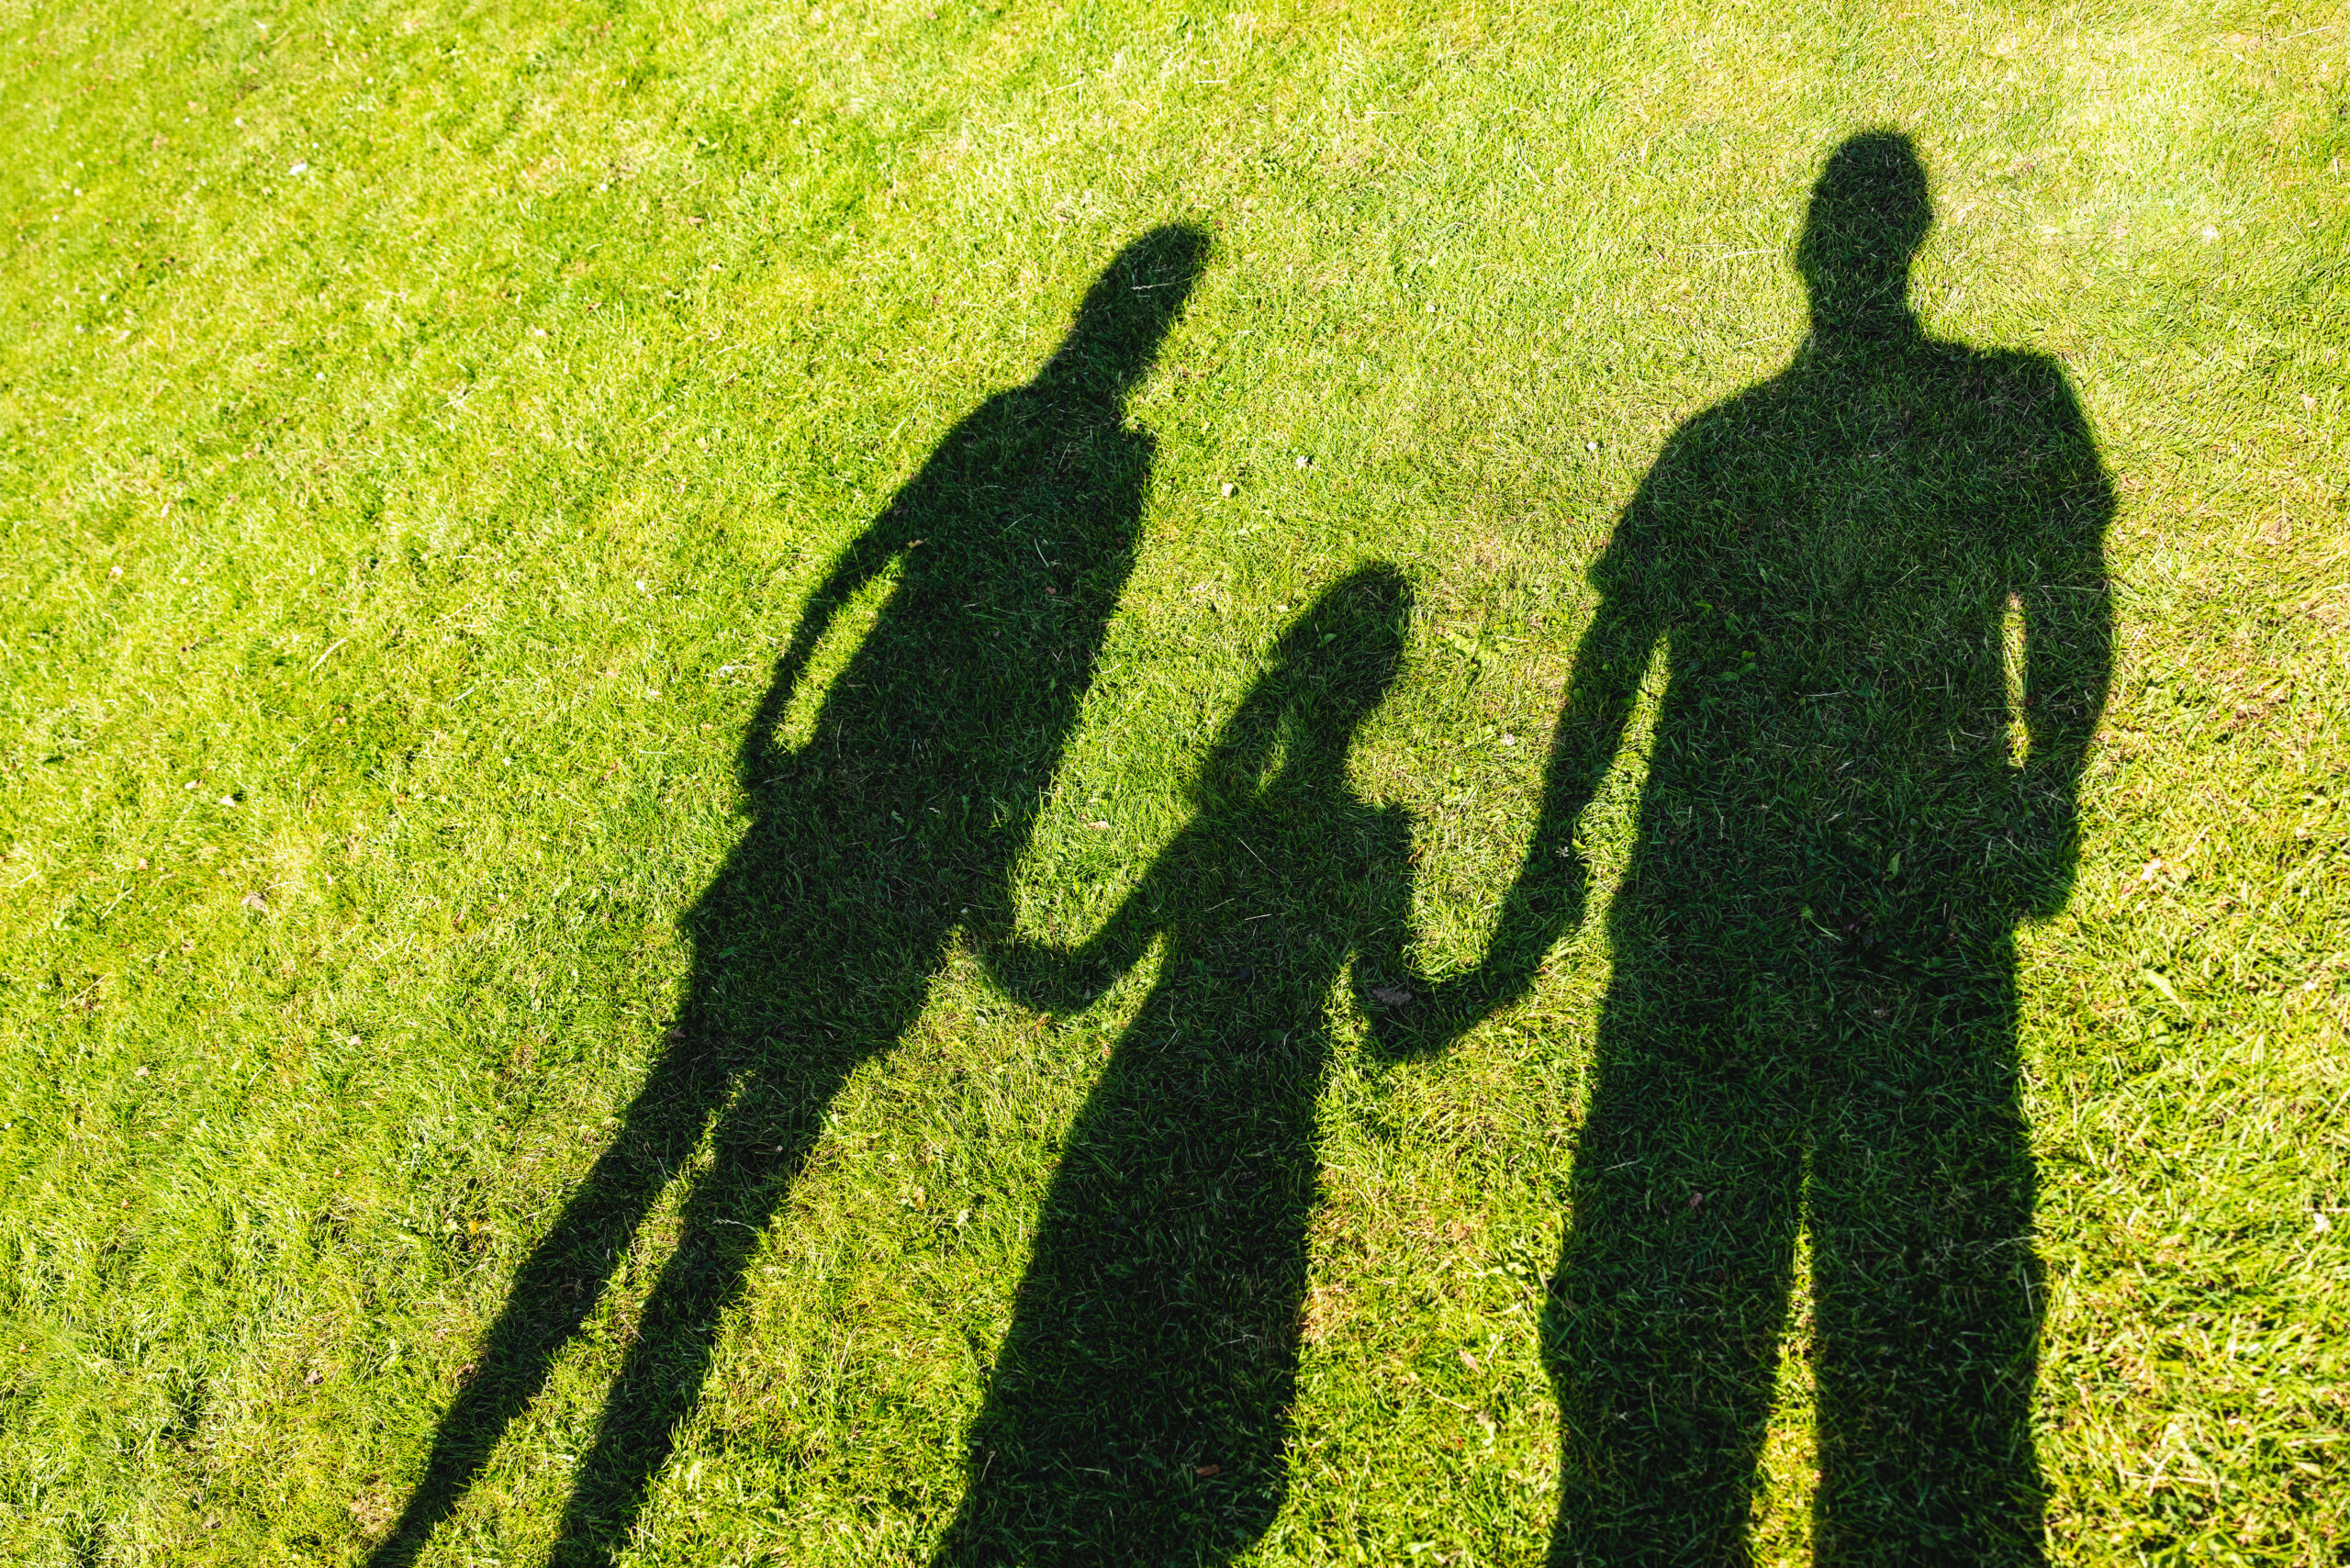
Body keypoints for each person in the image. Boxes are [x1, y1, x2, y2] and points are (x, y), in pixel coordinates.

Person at [369, 225, 1209, 1568]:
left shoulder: (1044, 436)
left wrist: (792, 700)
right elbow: (1030, 646)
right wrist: (944, 812)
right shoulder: (1098, 459)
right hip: (891, 794)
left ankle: (433, 1525)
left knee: (668, 1141)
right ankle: (530, 1523)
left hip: (856, 779)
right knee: (715, 1188)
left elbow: (894, 578)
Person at [1402, 132, 2113, 1562]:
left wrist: (1555, 839)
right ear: (1913, 245)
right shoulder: (2009, 406)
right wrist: (2048, 785)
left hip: (1724, 919)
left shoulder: (1721, 449)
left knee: (1694, 1297)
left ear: (1807, 258)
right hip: (1924, 894)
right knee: (1927, 1280)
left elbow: (1617, 645)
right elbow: (2072, 598)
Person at [936, 566, 1424, 1565]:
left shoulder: (1219, 836)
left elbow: (1074, 981)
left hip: (1148, 1079)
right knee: (1214, 1298)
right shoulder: (1369, 842)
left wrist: (987, 923)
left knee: (1088, 1299)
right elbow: (1394, 1007)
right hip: (1273, 1104)